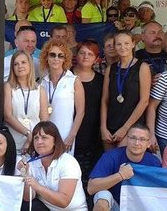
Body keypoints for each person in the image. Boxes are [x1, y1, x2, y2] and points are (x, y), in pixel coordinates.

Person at [17, 121, 88, 211]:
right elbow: (28, 198)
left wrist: (37, 186)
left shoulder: (68, 162)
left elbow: (64, 201)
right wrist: (25, 174)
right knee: (27, 207)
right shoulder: (32, 162)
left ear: (55, 140)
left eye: (44, 137)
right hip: (47, 210)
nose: (39, 141)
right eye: (36, 138)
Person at [101, 31, 151, 150]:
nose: (122, 47)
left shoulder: (142, 67)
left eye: (126, 43)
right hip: (111, 125)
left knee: (123, 159)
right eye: (118, 44)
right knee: (110, 160)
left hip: (132, 126)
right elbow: (104, 100)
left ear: (133, 44)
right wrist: (103, 128)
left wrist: (125, 128)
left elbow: (144, 101)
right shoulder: (110, 69)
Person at [39, 40, 85, 155]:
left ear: (65, 59)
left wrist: (72, 136)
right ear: (46, 57)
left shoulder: (73, 80)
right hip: (46, 134)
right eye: (52, 55)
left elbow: (80, 111)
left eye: (60, 56)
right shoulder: (42, 82)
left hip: (66, 135)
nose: (56, 58)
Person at [4, 51, 49, 154]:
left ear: (30, 65)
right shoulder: (8, 87)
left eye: (23, 62)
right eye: (16, 64)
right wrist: (28, 134)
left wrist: (33, 138)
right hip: (14, 141)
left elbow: (44, 119)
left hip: (36, 142)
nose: (20, 66)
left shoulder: (40, 89)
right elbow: (8, 116)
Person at [72, 41, 104, 184]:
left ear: (96, 59)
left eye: (90, 54)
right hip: (69, 128)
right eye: (82, 53)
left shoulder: (101, 80)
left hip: (92, 132)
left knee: (87, 172)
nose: (85, 57)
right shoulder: (66, 76)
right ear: (76, 55)